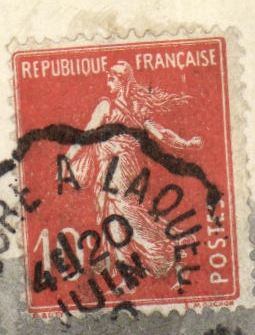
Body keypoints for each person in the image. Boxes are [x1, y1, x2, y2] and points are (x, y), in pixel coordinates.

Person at [64, 62, 202, 277]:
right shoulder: (137, 108)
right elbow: (162, 133)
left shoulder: (107, 107)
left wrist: (68, 158)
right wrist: (185, 143)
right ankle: (125, 263)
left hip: (116, 168)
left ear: (122, 82)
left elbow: (86, 135)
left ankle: (163, 251)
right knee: (117, 211)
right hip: (127, 167)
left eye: (111, 79)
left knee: (120, 210)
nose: (108, 83)